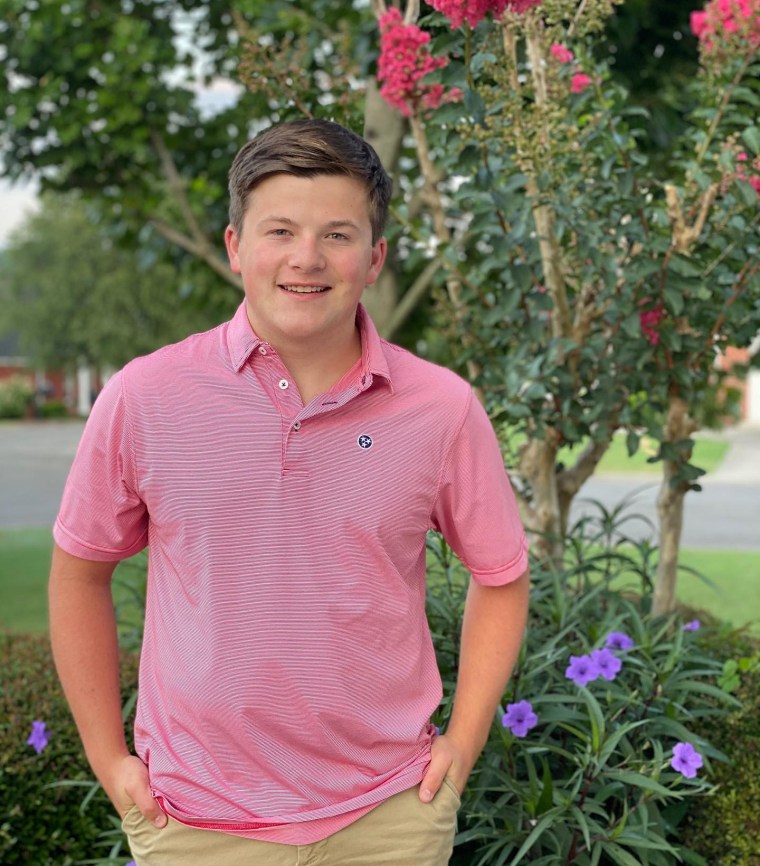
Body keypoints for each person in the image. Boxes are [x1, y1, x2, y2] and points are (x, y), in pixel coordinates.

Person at [49, 118, 529, 866]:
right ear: (237, 246)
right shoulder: (144, 397)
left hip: (389, 822)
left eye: (338, 235)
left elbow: (501, 578)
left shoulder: (441, 409)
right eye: (280, 230)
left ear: (375, 259)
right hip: (196, 825)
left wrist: (462, 746)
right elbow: (78, 574)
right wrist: (110, 761)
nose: (307, 259)